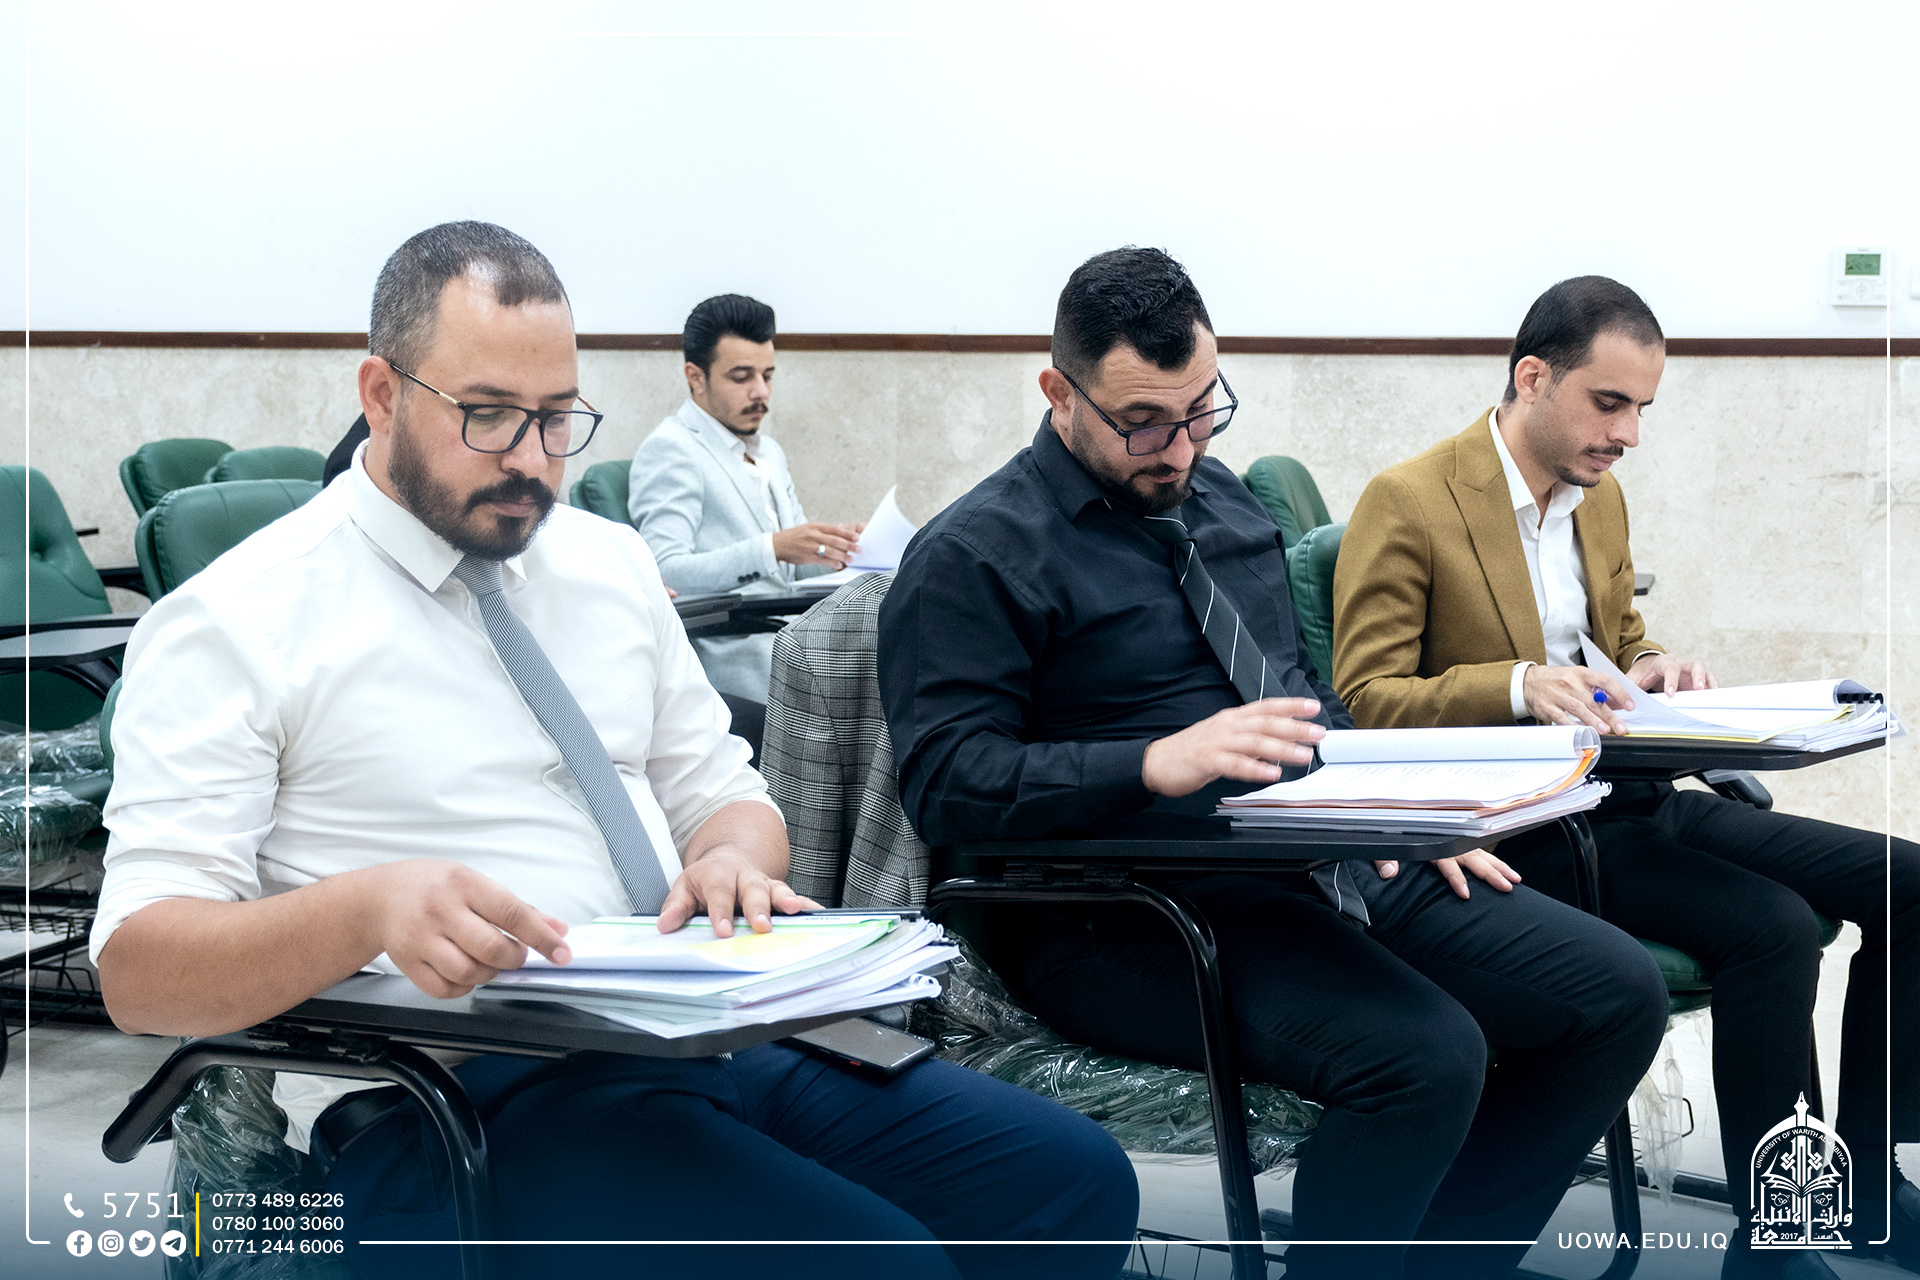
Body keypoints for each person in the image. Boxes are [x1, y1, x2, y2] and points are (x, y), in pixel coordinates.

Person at [90, 221, 1137, 1280]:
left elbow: (727, 796)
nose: (530, 460)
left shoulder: (608, 565)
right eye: (488, 416)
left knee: (1071, 1183)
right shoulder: (240, 621)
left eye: (557, 419)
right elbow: (138, 969)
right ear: (382, 394)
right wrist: (365, 910)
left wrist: (732, 860)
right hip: (456, 1097)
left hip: (695, 1036)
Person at [879, 246, 1669, 1280]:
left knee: (1616, 993)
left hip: (1318, 851)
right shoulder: (977, 554)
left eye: (1202, 410)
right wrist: (1149, 763)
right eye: (1143, 422)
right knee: (1426, 1055)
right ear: (1058, 394)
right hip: (1128, 906)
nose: (1179, 447)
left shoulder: (1226, 506)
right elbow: (945, 782)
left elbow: (1311, 698)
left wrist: (1400, 809)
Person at [1332, 274, 1919, 1279]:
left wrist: (1651, 667)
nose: (1629, 434)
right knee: (1773, 927)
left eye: (1642, 407)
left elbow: (1618, 638)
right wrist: (1518, 684)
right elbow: (1367, 696)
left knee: (1905, 879)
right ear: (1532, 378)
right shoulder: (1413, 500)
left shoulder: (1597, 500)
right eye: (1610, 403)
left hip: (1635, 792)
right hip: (1533, 827)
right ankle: (1781, 1237)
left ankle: (1864, 1179)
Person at [628, 294, 862, 702]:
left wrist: (838, 550)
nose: (760, 392)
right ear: (695, 377)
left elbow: (788, 572)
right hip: (732, 660)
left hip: (791, 641)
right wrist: (773, 547)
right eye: (741, 377)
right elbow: (665, 571)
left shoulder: (769, 452)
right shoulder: (672, 449)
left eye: (767, 376)